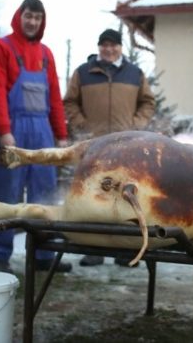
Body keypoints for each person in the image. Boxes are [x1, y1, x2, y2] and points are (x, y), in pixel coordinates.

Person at [0, 0, 71, 274]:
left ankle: (43, 255)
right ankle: (0, 256)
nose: (32, 22)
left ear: (42, 21)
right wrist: (5, 131)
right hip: (14, 128)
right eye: (28, 16)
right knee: (7, 194)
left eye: (37, 17)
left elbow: (55, 98)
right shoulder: (1, 48)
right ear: (19, 16)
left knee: (43, 196)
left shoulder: (47, 53)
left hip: (42, 130)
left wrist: (61, 135)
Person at [64, 28, 156, 266]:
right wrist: (83, 125)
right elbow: (70, 102)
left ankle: (125, 251)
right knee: (94, 195)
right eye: (104, 44)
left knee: (125, 196)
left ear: (120, 48)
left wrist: (136, 125)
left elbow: (148, 102)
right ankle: (94, 250)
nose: (108, 49)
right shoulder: (83, 73)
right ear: (99, 47)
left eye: (113, 44)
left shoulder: (135, 74)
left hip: (127, 147)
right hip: (93, 147)